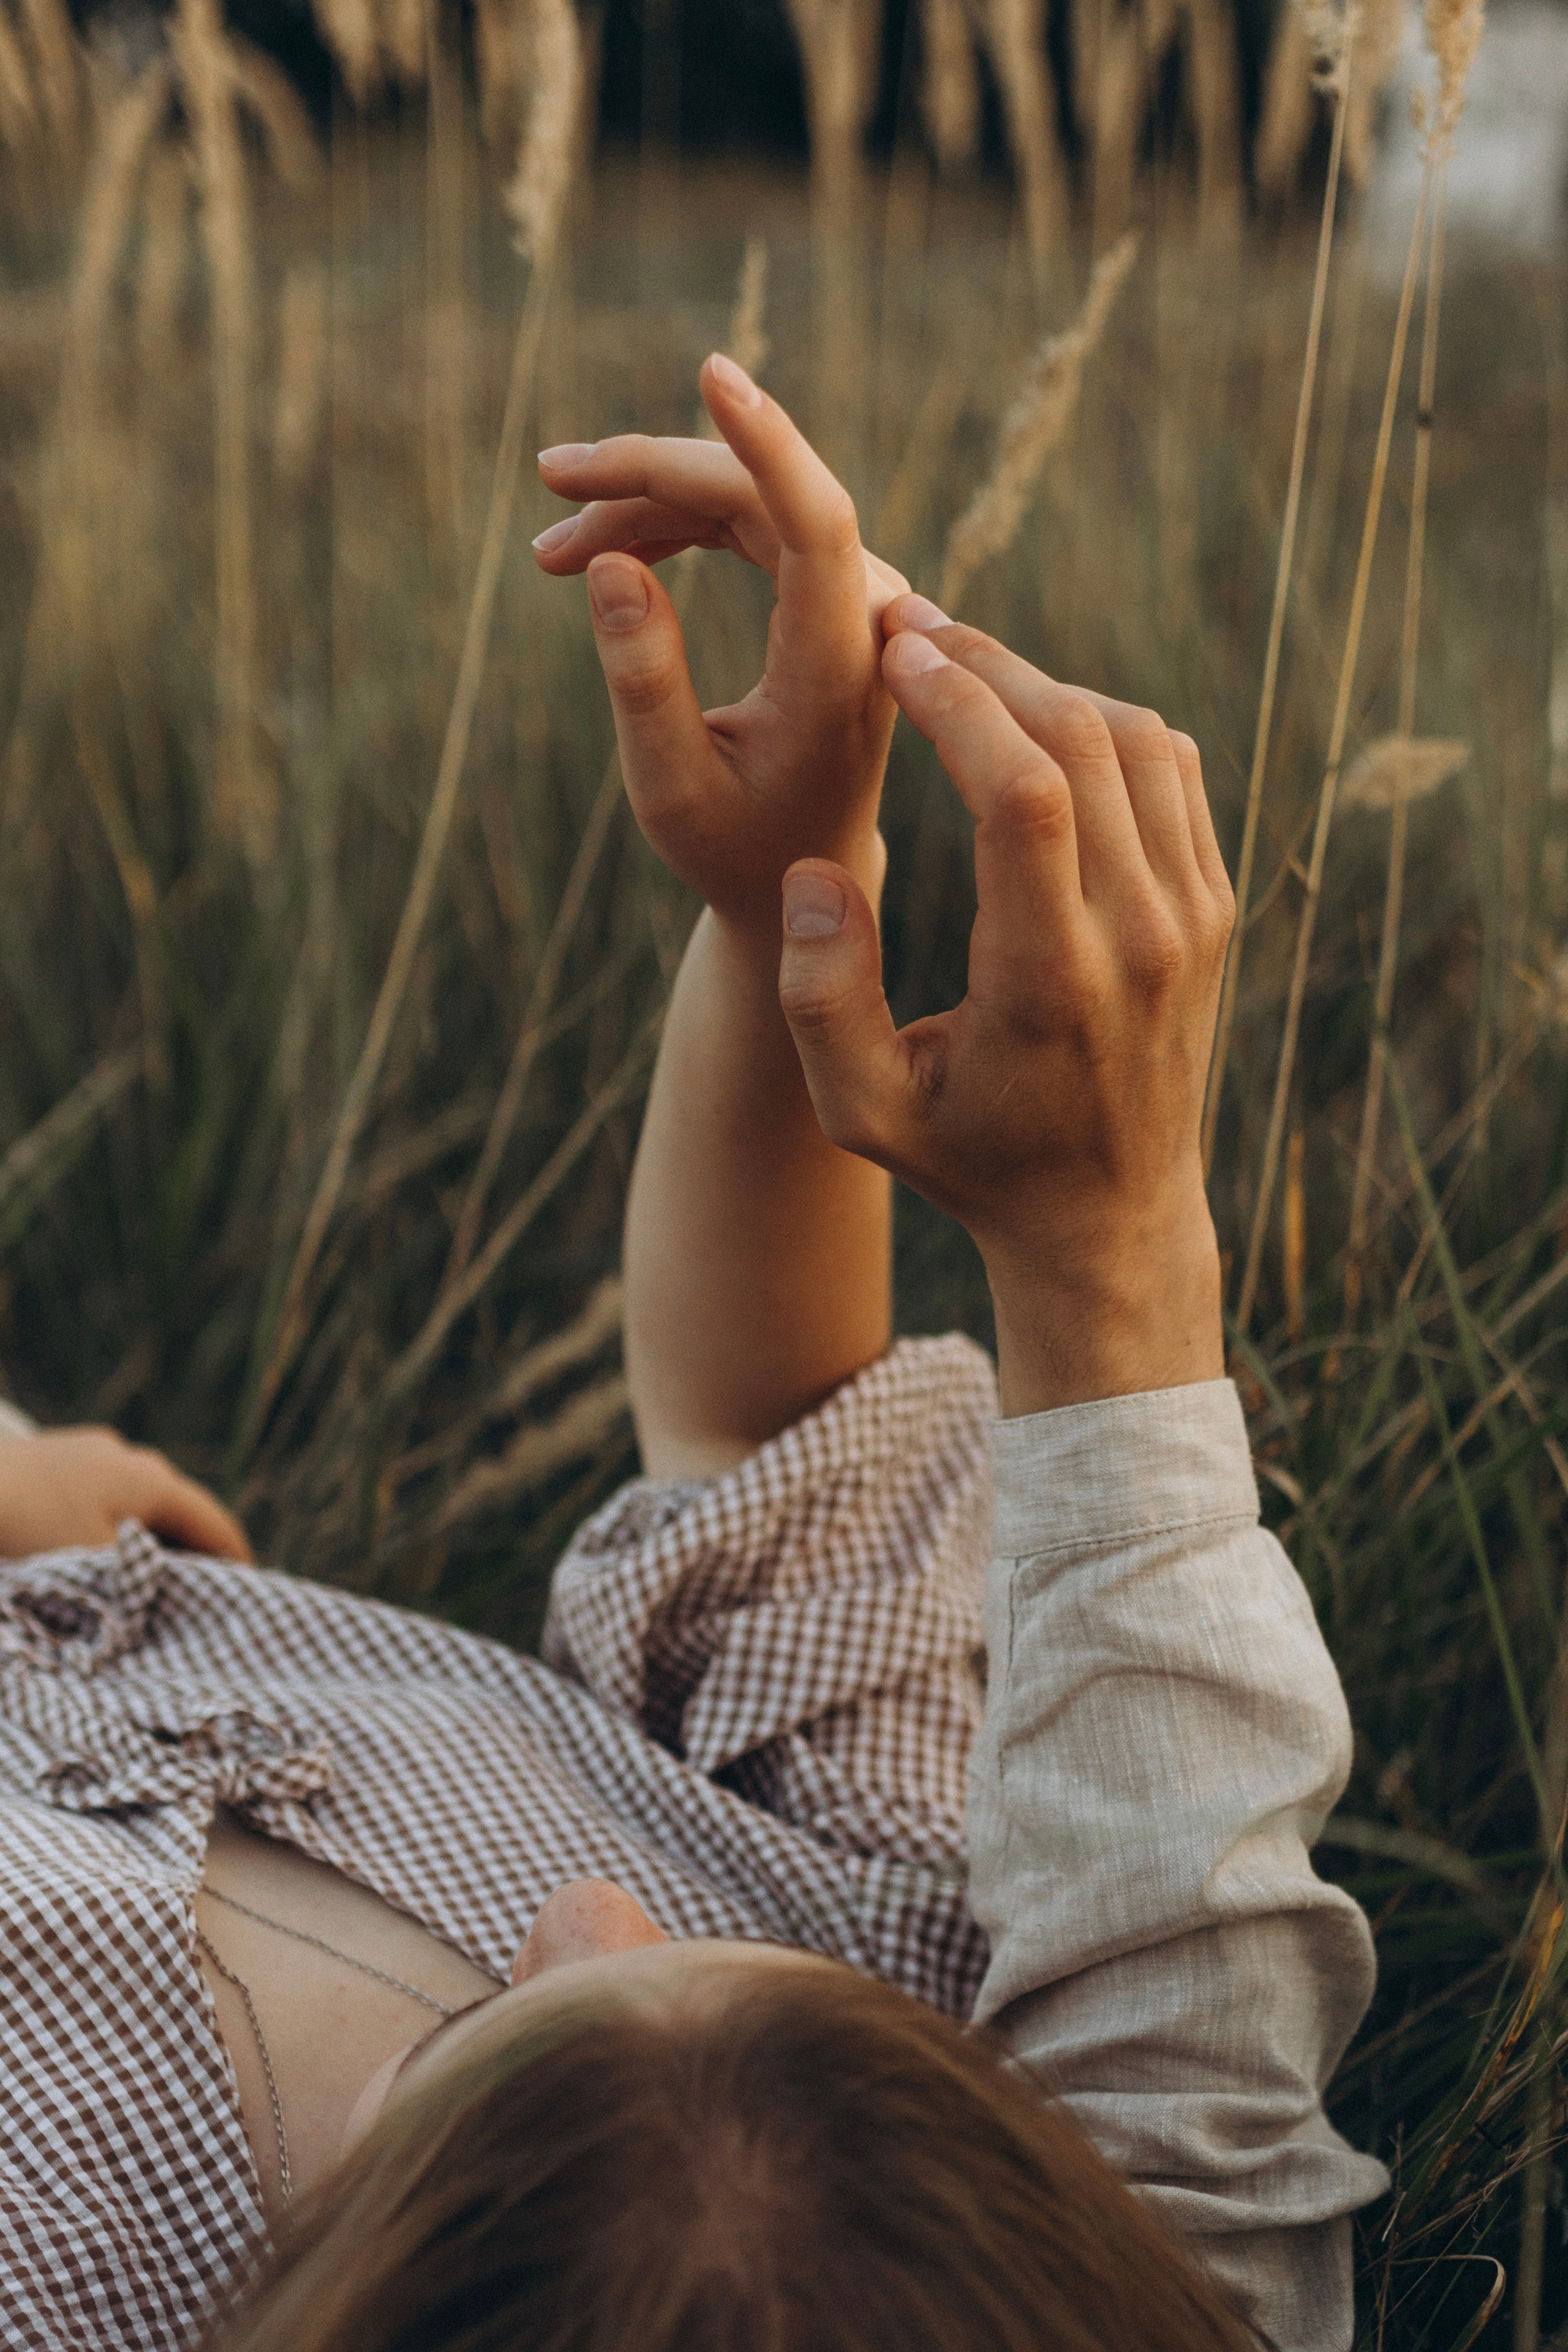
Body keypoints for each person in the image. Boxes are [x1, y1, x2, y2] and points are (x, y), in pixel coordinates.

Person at [0, 356, 1385, 2352]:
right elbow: (769, 1439)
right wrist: (798, 903)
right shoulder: (1009, 2214)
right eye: (719, 1962)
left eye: (489, 2030)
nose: (590, 1909)